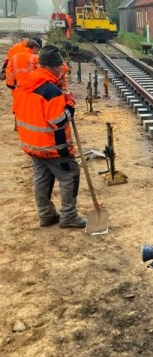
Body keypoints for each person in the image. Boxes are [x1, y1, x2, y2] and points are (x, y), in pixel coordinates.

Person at [13, 45, 86, 228]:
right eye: (61, 67)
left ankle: (46, 215)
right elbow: (58, 120)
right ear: (54, 67)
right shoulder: (51, 91)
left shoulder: (25, 84)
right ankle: (69, 216)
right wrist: (69, 103)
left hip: (32, 145)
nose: (62, 70)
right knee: (70, 175)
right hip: (53, 146)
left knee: (42, 179)